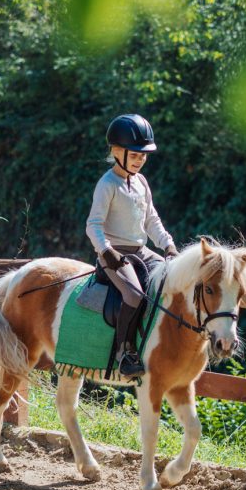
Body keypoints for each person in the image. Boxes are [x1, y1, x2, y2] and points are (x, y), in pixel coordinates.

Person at [86, 114, 179, 378]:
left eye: (143, 156)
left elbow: (151, 220)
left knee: (170, 280)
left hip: (140, 250)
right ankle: (124, 351)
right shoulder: (107, 185)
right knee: (134, 295)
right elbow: (92, 225)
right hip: (113, 253)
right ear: (116, 151)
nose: (140, 160)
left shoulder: (141, 183)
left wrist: (168, 246)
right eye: (135, 155)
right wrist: (106, 251)